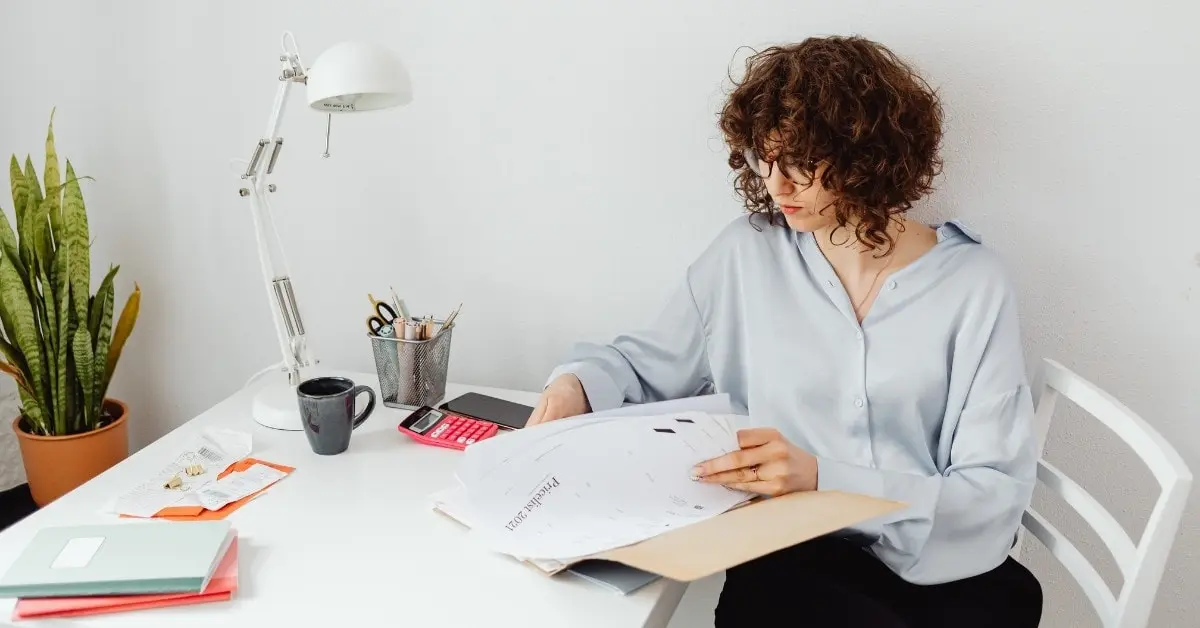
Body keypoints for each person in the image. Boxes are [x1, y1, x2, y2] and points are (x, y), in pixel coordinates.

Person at [526, 35, 1043, 627]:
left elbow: (993, 492)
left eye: (799, 162)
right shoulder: (747, 255)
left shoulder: (974, 283)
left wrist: (825, 478)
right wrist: (575, 385)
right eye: (763, 160)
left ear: (867, 156)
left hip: (937, 567)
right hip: (789, 562)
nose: (776, 186)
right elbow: (643, 365)